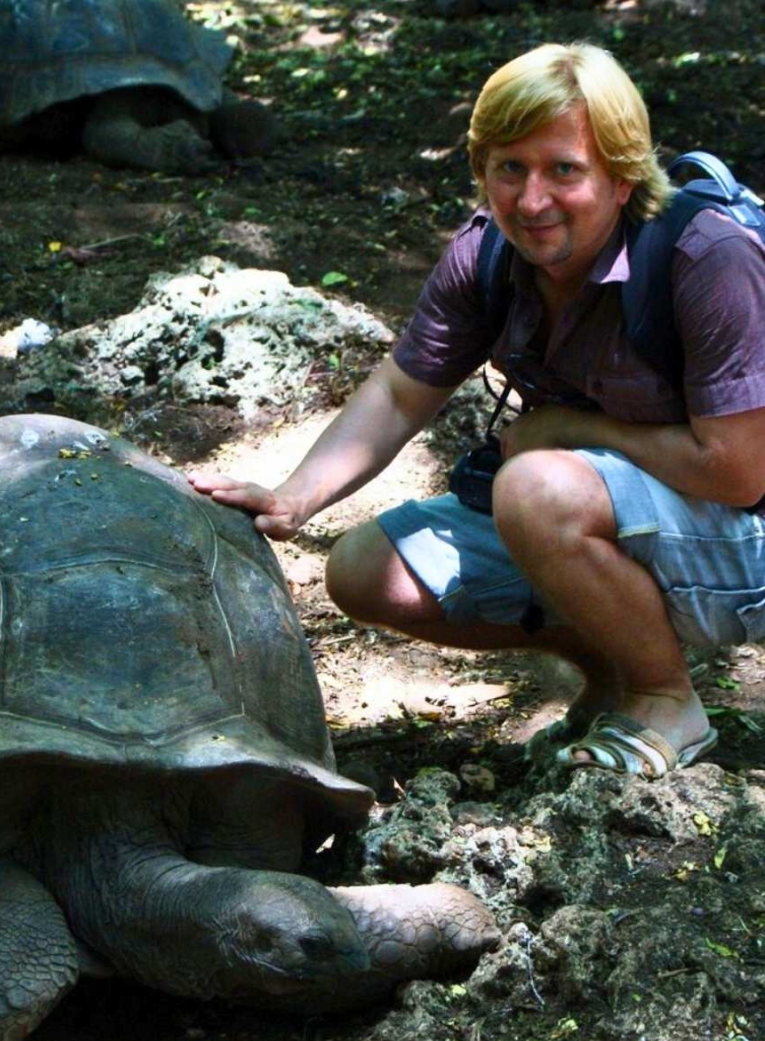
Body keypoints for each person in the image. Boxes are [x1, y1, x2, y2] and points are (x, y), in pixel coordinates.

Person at [189, 42, 765, 779]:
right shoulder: (490, 255)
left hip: (742, 537)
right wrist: (293, 498)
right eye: (510, 169)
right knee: (367, 570)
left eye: (564, 170)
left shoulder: (702, 255)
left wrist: (570, 430)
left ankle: (667, 698)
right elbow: (400, 391)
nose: (531, 201)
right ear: (482, 170)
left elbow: (741, 471)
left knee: (532, 488)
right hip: (613, 519)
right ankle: (617, 667)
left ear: (622, 177)